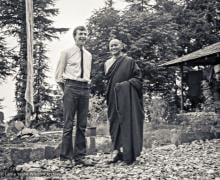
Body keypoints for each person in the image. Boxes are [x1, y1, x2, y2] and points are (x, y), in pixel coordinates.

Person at [55, 26, 94, 168]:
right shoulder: (66, 52)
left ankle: (80, 157)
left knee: (82, 125)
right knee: (68, 124)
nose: (83, 36)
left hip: (85, 88)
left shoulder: (89, 55)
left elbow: (88, 75)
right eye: (80, 34)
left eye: (85, 34)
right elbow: (58, 76)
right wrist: (66, 90)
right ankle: (65, 158)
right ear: (74, 36)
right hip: (70, 87)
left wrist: (86, 88)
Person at [104, 39, 144, 165]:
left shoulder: (129, 61)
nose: (113, 47)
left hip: (127, 98)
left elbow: (138, 79)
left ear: (121, 46)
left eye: (116, 45)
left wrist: (124, 86)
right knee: (114, 123)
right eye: (111, 45)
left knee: (127, 122)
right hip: (112, 96)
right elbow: (108, 81)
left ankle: (129, 154)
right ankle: (116, 151)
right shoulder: (107, 63)